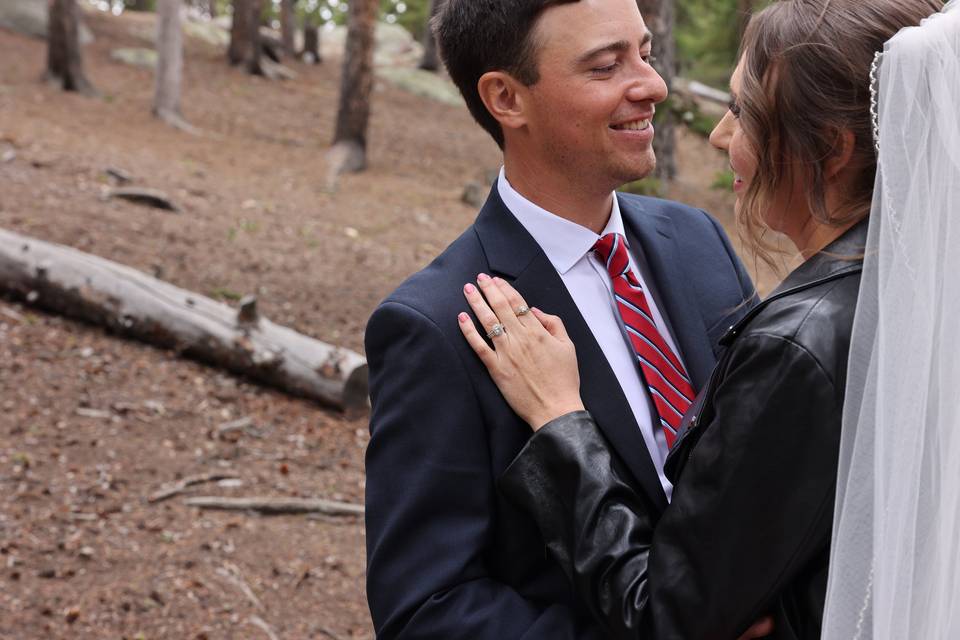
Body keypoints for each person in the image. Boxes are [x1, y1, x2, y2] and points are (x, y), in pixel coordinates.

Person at [456, 0, 944, 639]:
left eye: (743, 111)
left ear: (830, 148)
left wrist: (559, 421)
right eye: (607, 64)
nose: (715, 132)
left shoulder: (792, 336)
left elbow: (667, 616)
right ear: (505, 97)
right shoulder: (927, 295)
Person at [363, 0, 758, 637]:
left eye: (645, 54)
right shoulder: (436, 325)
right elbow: (425, 610)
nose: (653, 86)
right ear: (506, 98)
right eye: (606, 66)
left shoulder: (698, 239)